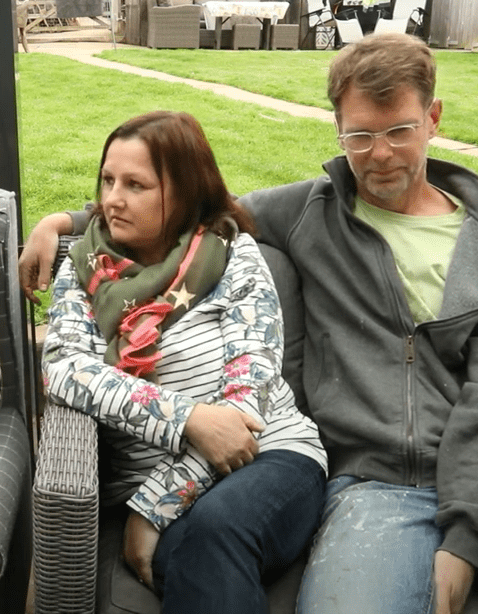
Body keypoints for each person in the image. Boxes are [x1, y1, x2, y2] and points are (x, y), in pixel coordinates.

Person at [21, 34, 478, 614]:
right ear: (337, 129)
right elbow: (196, 208)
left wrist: (463, 538)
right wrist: (68, 223)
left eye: (397, 131)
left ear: (432, 118)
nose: (377, 154)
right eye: (358, 135)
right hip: (373, 488)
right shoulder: (310, 212)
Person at [41, 111, 328, 612]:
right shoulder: (84, 270)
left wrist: (153, 507)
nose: (111, 199)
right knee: (202, 556)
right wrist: (188, 418)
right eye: (107, 180)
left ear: (184, 189)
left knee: (216, 530)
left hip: (274, 457)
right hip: (158, 484)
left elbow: (246, 412)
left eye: (136, 184)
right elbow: (66, 369)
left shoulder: (232, 255)